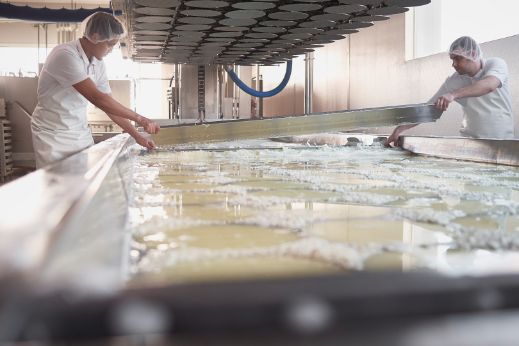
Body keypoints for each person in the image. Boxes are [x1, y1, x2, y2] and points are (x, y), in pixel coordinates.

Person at [31, 11, 160, 168]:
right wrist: (140, 119)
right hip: (53, 134)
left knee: (84, 182)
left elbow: (110, 107)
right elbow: (98, 99)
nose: (111, 50)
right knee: (57, 185)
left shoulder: (97, 64)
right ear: (95, 36)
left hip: (79, 132)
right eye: (110, 44)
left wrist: (138, 136)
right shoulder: (65, 55)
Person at [385, 36, 514, 146]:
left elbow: (489, 85)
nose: (453, 64)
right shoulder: (454, 80)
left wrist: (454, 94)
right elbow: (428, 109)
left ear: (472, 54)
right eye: (452, 59)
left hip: (502, 140)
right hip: (470, 141)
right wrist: (399, 129)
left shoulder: (495, 64)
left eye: (457, 59)